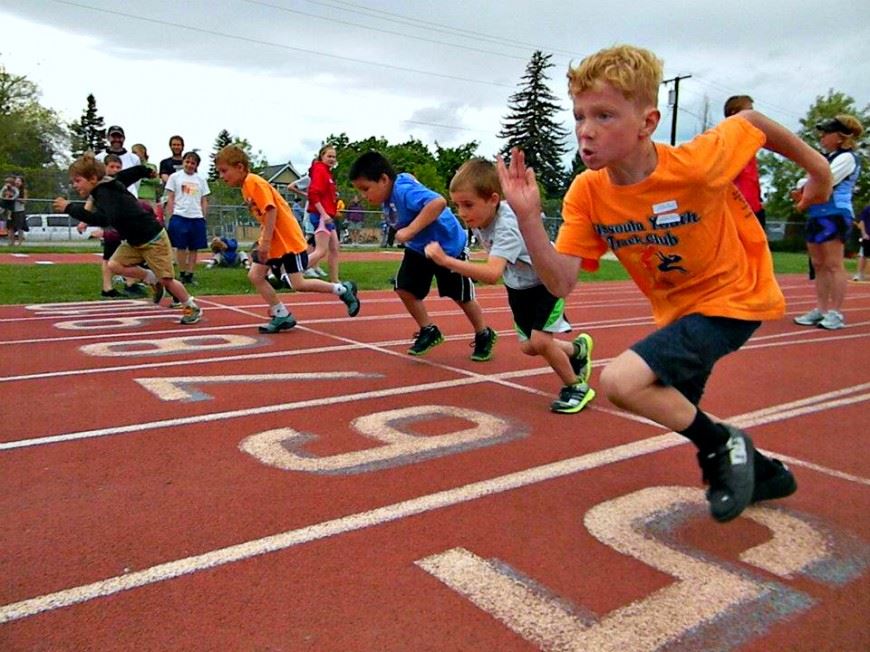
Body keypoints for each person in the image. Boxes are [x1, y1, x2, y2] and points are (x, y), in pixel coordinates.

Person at [497, 44, 832, 523]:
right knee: (671, 402)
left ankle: (723, 447)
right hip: (678, 312)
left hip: (735, 297)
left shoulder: (697, 163)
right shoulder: (587, 192)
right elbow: (560, 282)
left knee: (621, 381)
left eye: (605, 115)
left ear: (647, 123)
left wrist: (819, 170)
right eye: (580, 116)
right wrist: (529, 219)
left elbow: (752, 121)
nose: (586, 130)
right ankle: (764, 473)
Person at [426, 159, 595, 413]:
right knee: (529, 347)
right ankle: (576, 350)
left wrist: (447, 261)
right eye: (457, 205)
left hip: (547, 281)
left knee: (541, 341)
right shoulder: (481, 219)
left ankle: (576, 387)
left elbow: (492, 273)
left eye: (468, 205)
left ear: (493, 199)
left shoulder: (507, 224)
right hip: (518, 286)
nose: (462, 212)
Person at [350, 150, 497, 360]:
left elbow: (438, 202)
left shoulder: (403, 190)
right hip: (419, 248)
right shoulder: (390, 194)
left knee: (461, 296)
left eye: (366, 189)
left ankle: (483, 333)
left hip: (447, 247)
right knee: (404, 287)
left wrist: (410, 230)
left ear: (383, 179)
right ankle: (428, 329)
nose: (365, 195)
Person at [214, 145, 360, 333]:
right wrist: (263, 241)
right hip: (274, 240)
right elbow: (264, 216)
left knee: (298, 284)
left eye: (224, 171)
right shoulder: (246, 187)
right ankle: (281, 313)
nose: (221, 176)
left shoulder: (253, 182)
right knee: (256, 275)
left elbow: (271, 210)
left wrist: (265, 243)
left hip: (287, 241)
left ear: (239, 167)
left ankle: (342, 289)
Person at [53, 153, 202, 324]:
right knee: (114, 265)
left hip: (153, 239)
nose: (74, 185)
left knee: (167, 280)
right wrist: (145, 171)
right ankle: (152, 279)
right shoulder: (109, 183)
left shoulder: (105, 193)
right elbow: (129, 174)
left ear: (93, 179)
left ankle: (191, 306)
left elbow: (103, 219)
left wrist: (70, 208)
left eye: (78, 181)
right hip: (134, 241)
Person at [793, 115, 864, 330]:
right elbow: (807, 180)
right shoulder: (825, 158)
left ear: (840, 137)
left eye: (827, 133)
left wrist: (804, 186)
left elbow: (825, 179)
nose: (822, 137)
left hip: (835, 213)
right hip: (817, 213)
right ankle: (821, 309)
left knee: (833, 264)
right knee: (819, 264)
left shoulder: (847, 158)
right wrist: (805, 185)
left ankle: (835, 312)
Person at [165, 151, 210, 286]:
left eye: (193, 163)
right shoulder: (175, 177)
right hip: (180, 215)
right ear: (183, 162)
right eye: (187, 162)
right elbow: (170, 197)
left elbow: (204, 199)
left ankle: (190, 274)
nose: (190, 165)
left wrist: (203, 216)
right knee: (180, 246)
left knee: (194, 247)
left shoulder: (201, 180)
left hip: (196, 216)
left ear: (196, 165)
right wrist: (170, 215)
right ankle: (182, 273)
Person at [723, 95, 766, 228]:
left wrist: (759, 199)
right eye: (749, 110)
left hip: (754, 207)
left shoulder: (748, 141)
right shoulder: (727, 139)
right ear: (734, 113)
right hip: (738, 208)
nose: (753, 115)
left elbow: (752, 177)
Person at [306, 145, 343, 282]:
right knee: (321, 251)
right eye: (329, 156)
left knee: (334, 248)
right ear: (322, 156)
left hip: (327, 216)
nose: (332, 159)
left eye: (334, 157)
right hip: (322, 216)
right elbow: (313, 194)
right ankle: (291, 272)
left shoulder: (327, 172)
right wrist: (324, 214)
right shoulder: (319, 170)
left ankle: (335, 280)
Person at [100, 125, 141, 195]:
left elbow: (137, 182)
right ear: (108, 138)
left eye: (119, 137)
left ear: (124, 138)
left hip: (128, 197)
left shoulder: (134, 158)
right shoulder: (99, 158)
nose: (117, 140)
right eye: (114, 137)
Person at [7, 175, 28, 246]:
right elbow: (7, 199)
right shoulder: (11, 190)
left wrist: (17, 197)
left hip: (20, 211)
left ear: (22, 183)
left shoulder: (24, 191)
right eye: (16, 180)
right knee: (10, 228)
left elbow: (24, 201)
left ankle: (19, 244)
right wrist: (9, 195)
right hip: (11, 211)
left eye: (19, 181)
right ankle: (11, 243)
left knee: (20, 228)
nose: (17, 182)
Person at [854, 204, 869, 282]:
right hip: (867, 236)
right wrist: (864, 233)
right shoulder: (867, 209)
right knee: (863, 255)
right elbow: (862, 222)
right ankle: (859, 274)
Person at [2, 176, 20, 243]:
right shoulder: (5, 188)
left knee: (10, 226)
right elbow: (1, 193)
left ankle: (12, 241)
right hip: (5, 204)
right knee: (7, 226)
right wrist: (3, 196)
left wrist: (12, 197)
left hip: (11, 205)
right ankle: (10, 241)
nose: (7, 184)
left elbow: (16, 194)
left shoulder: (14, 189)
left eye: (8, 182)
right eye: (6, 182)